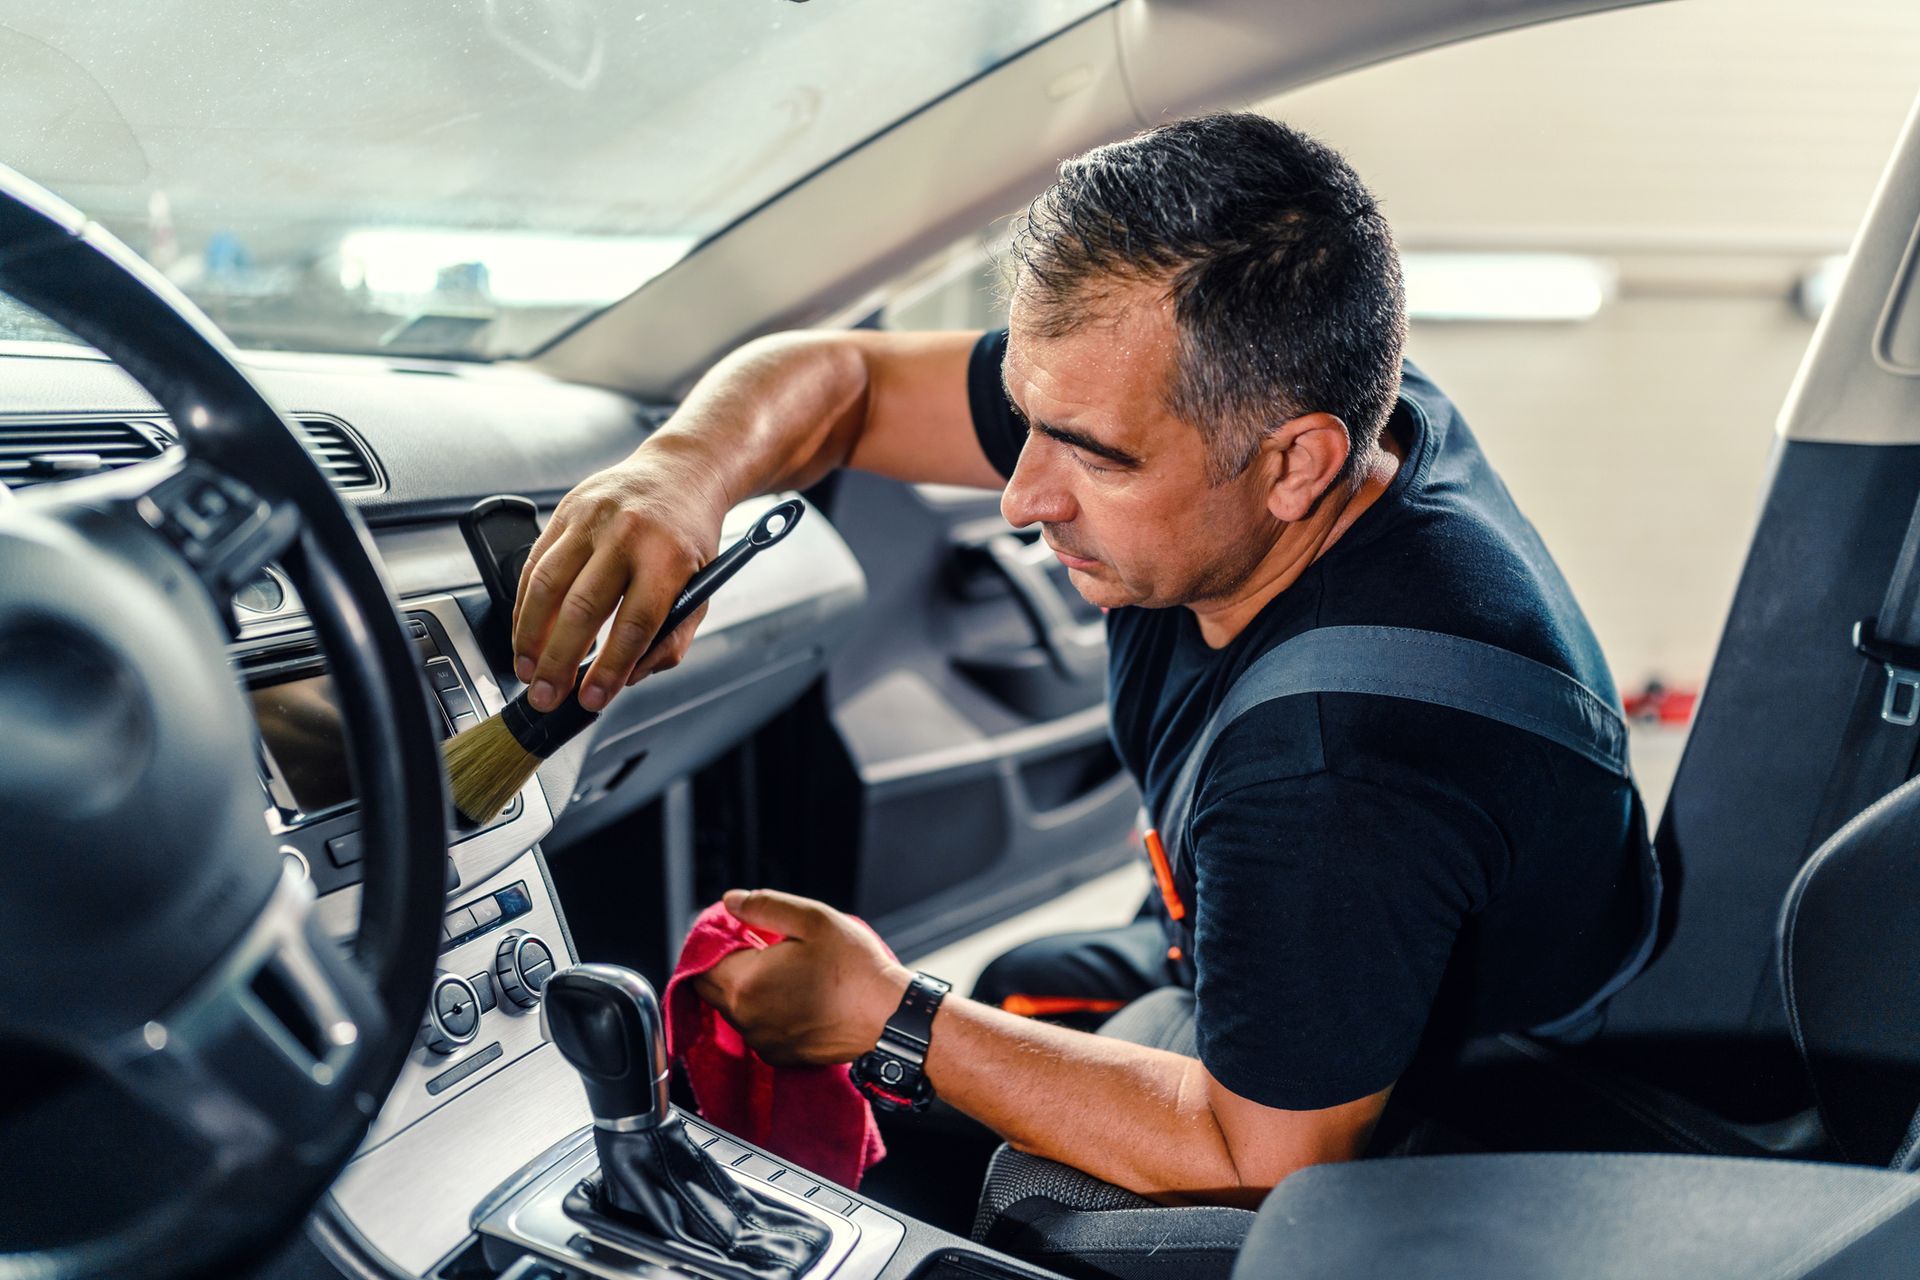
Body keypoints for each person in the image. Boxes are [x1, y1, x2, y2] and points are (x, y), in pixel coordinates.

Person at [507, 113, 1648, 1205]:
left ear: (1297, 464)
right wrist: (682, 472)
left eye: (1096, 458)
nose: (1020, 496)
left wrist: (887, 1015)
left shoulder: (1335, 764)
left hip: (1478, 1110)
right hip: (1278, 946)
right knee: (1023, 985)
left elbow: (1262, 1159)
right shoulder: (1316, 402)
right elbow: (846, 380)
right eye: (1026, 420)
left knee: (942, 1115)